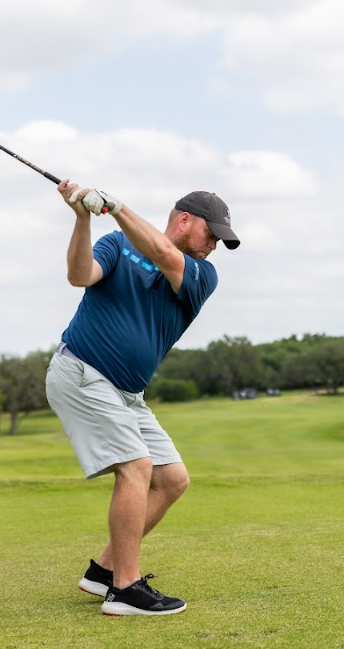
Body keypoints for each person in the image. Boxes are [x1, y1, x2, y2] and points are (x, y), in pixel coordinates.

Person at [46, 180, 240, 616]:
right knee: (137, 467)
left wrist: (116, 206)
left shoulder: (201, 275)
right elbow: (80, 276)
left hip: (127, 393)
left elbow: (164, 254)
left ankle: (104, 572)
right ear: (184, 220)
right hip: (83, 372)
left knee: (172, 479)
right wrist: (82, 219)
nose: (214, 245)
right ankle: (125, 589)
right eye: (211, 234)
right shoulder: (117, 244)